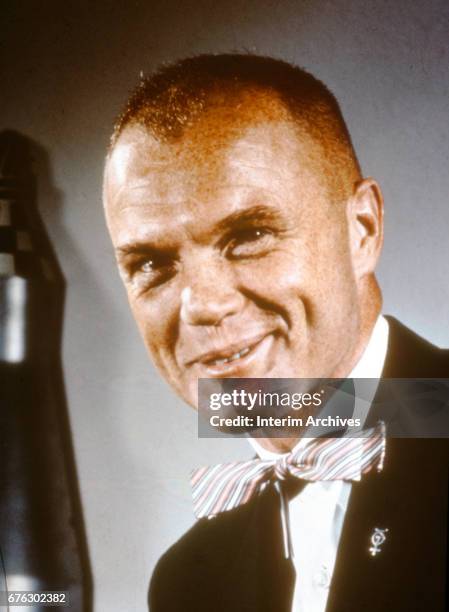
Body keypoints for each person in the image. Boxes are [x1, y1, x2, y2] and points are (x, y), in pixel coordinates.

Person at [102, 54, 449, 611]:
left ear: (361, 231)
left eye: (251, 233)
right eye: (150, 264)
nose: (201, 305)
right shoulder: (186, 582)